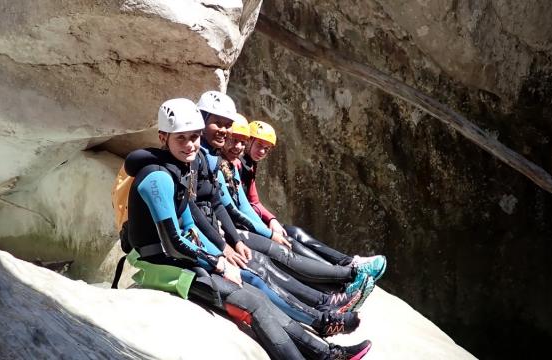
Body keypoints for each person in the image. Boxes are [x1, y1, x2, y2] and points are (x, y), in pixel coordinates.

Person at [124, 97, 372, 359]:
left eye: (194, 137)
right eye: (181, 138)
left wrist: (219, 255)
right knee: (253, 304)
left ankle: (327, 353)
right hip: (159, 268)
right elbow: (173, 240)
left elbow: (189, 222)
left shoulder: (179, 170)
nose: (190, 145)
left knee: (257, 295)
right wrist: (219, 263)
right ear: (164, 137)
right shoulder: (158, 177)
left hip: (177, 263)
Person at [191, 92, 367, 330]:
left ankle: (331, 293)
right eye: (233, 137)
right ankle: (334, 294)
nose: (236, 144)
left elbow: (234, 203)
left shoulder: (218, 161)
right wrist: (226, 247)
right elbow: (201, 212)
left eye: (232, 131)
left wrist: (264, 226)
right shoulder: (204, 161)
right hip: (212, 240)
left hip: (220, 234)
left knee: (276, 251)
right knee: (265, 266)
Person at [240, 120, 387, 280]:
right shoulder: (239, 164)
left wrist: (272, 219)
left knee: (295, 232)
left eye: (266, 149)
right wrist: (267, 230)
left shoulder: (250, 165)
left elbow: (253, 201)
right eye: (259, 145)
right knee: (289, 242)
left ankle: (346, 263)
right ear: (248, 140)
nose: (262, 151)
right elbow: (240, 206)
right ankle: (339, 273)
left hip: (250, 220)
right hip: (244, 224)